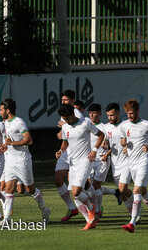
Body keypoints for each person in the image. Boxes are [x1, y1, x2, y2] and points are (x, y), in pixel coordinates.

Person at [0, 98, 50, 228]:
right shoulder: (4, 124)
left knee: (29, 189)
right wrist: (4, 147)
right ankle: (7, 219)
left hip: (22, 161)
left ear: (8, 110)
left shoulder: (19, 122)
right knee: (9, 189)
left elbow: (29, 140)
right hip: (10, 161)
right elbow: (8, 142)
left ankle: (44, 209)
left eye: (1, 110)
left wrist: (12, 143)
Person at [57, 103, 105, 230]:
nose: (66, 121)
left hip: (85, 161)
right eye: (64, 119)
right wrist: (60, 152)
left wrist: (94, 150)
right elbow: (65, 143)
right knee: (76, 196)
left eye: (67, 118)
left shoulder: (85, 123)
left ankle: (92, 208)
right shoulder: (65, 127)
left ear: (73, 114)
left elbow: (101, 135)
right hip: (72, 163)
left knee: (76, 191)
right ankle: (90, 219)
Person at [119, 99, 148, 233]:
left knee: (137, 190)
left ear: (138, 111)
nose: (130, 116)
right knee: (142, 191)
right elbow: (123, 140)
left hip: (144, 161)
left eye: (132, 113)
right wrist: (124, 144)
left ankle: (132, 222)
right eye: (127, 113)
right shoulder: (124, 125)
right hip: (130, 161)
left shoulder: (146, 124)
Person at [86, 103, 121, 218]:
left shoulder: (104, 127)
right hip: (91, 160)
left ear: (100, 114)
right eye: (90, 113)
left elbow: (111, 144)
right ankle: (115, 192)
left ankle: (98, 210)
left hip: (102, 159)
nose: (91, 115)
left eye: (94, 112)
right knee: (90, 187)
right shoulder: (87, 125)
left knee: (95, 185)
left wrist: (107, 151)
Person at [55, 90, 85, 221]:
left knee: (81, 187)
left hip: (78, 153)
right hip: (67, 151)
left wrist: (64, 126)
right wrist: (60, 150)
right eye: (62, 100)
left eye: (66, 100)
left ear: (73, 101)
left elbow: (80, 131)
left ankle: (93, 206)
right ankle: (72, 208)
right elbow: (65, 137)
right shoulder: (64, 114)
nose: (63, 102)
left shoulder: (77, 114)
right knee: (58, 180)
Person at [102, 103, 135, 218]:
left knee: (122, 188)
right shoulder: (106, 127)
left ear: (118, 113)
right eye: (108, 116)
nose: (109, 118)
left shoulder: (126, 125)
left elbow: (135, 140)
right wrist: (105, 148)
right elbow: (107, 144)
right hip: (115, 164)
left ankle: (137, 209)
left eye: (112, 115)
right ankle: (133, 213)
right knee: (122, 192)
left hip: (127, 161)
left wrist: (128, 147)